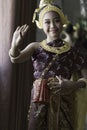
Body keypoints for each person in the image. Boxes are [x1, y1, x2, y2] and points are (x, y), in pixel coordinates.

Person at [9, 0, 87, 130]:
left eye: (56, 20)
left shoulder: (72, 52)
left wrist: (72, 85)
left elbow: (85, 77)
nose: (53, 25)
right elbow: (16, 58)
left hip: (64, 102)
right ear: (41, 24)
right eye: (47, 22)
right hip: (39, 100)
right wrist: (14, 46)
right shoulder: (36, 47)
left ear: (63, 21)